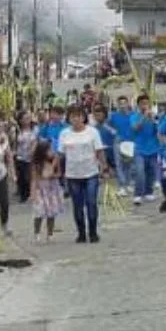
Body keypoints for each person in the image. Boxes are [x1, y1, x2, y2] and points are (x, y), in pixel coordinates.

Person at [57, 105, 108, 244]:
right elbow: (60, 154)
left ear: (84, 117)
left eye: (79, 116)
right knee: (77, 205)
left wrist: (104, 167)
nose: (76, 119)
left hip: (91, 172)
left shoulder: (92, 132)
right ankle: (81, 232)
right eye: (73, 116)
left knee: (91, 202)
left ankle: (93, 232)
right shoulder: (64, 134)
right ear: (69, 118)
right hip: (73, 175)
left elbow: (99, 151)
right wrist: (56, 170)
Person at [30, 141, 64, 243]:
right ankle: (37, 233)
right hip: (40, 189)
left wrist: (52, 174)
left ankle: (50, 234)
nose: (51, 151)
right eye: (49, 150)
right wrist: (33, 194)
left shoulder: (54, 161)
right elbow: (34, 179)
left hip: (52, 189)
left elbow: (59, 174)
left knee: (51, 213)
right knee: (39, 213)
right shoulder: (36, 164)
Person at [130, 94, 159, 205]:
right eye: (142, 103)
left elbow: (158, 131)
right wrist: (144, 118)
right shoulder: (134, 116)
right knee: (140, 172)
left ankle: (148, 192)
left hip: (152, 148)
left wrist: (154, 120)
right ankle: (137, 194)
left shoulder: (153, 116)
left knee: (150, 172)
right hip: (139, 149)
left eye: (146, 103)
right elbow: (135, 128)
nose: (145, 105)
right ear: (138, 105)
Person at [110, 96, 133, 197]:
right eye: (120, 103)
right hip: (118, 141)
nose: (123, 105)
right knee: (119, 164)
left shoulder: (133, 115)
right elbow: (106, 125)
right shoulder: (114, 116)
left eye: (124, 103)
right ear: (118, 105)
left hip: (129, 141)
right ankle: (122, 186)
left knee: (128, 164)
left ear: (128, 104)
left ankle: (127, 183)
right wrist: (112, 130)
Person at [14, 111, 38, 203]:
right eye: (24, 118)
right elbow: (15, 143)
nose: (27, 120)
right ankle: (23, 195)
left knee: (28, 176)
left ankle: (30, 193)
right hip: (19, 156)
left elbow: (35, 141)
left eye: (28, 118)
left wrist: (33, 152)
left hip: (30, 156)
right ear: (20, 120)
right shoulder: (18, 130)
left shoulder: (34, 129)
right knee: (21, 177)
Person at [0, 125, 12, 236]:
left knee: (5, 202)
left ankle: (5, 223)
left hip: (2, 174)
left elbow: (9, 157)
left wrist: (12, 173)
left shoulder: (4, 140)